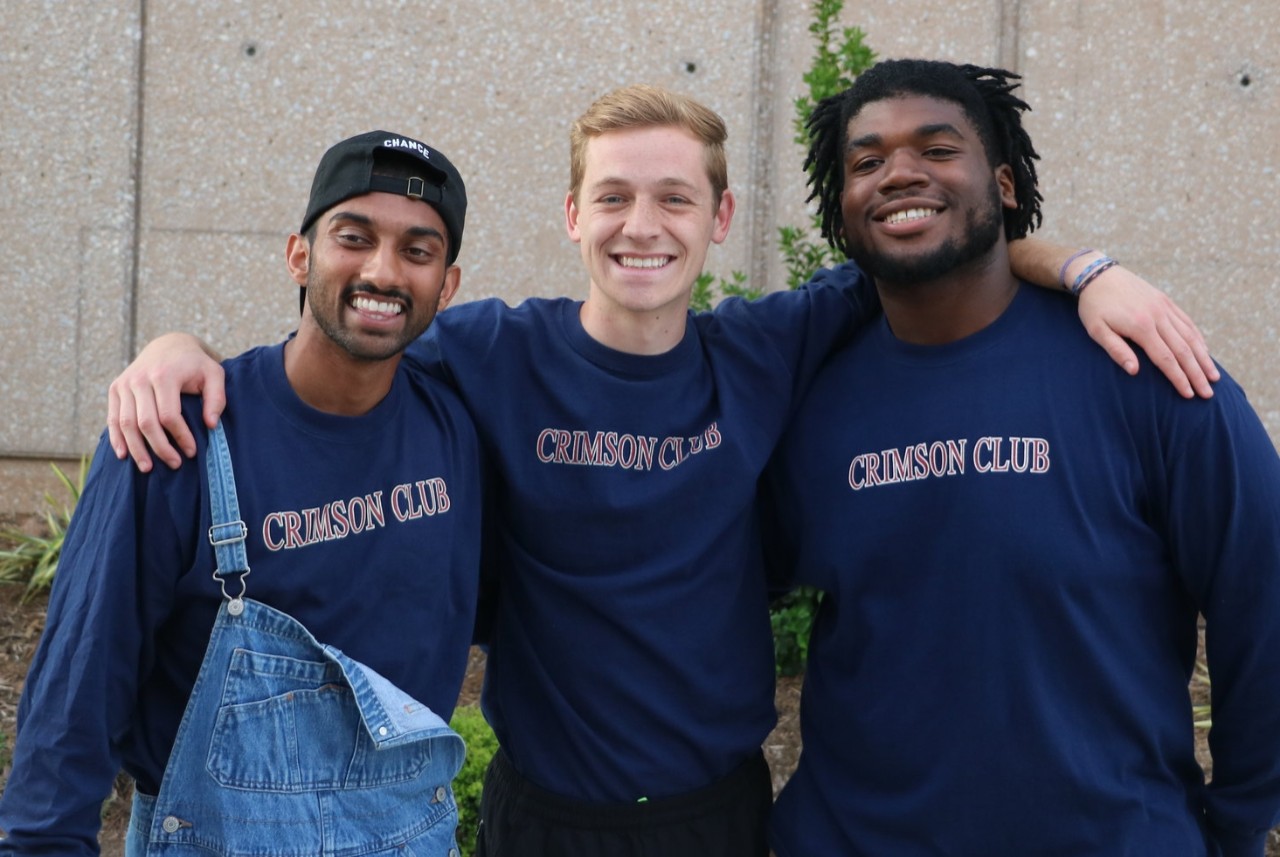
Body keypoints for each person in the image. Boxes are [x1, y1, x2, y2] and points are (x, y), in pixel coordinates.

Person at [104, 85, 1218, 857]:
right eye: (615, 196)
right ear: (573, 215)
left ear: (721, 218)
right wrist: (179, 352)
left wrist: (1083, 267)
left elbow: (933, 240)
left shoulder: (768, 344)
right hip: (544, 814)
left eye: (675, 198)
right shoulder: (490, 351)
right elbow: (347, 330)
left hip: (718, 813)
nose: (644, 225)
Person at [765, 59, 1280, 856]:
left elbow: (1264, 599)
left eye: (937, 149)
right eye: (866, 161)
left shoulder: (1146, 371)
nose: (899, 172)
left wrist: (1242, 818)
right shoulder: (804, 397)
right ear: (843, 204)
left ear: (1005, 185)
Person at [0, 131, 484, 855]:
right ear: (300, 253)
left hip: (411, 836)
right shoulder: (179, 436)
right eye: (354, 237)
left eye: (418, 250)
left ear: (446, 284)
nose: (382, 271)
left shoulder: (463, 422)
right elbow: (79, 684)